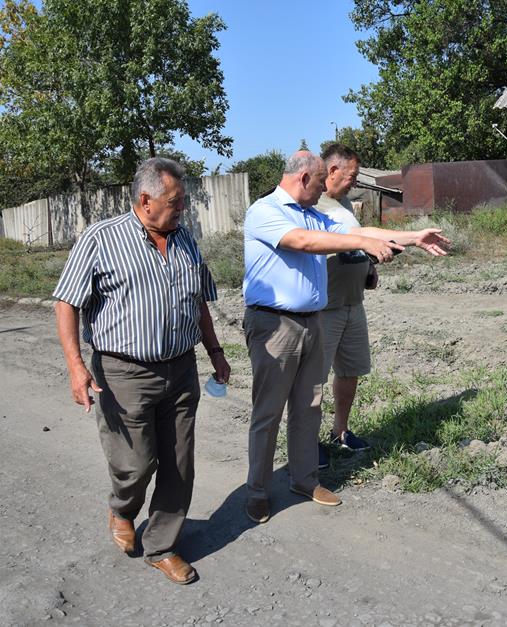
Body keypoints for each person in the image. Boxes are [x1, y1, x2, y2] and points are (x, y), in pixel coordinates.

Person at [242, 151, 449, 524]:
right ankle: (257, 491)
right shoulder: (266, 210)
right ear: (304, 178)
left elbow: (359, 233)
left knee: (308, 407)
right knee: (268, 412)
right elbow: (303, 242)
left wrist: (413, 237)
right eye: (321, 181)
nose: (325, 188)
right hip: (275, 326)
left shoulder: (313, 213)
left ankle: (305, 480)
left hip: (312, 321)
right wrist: (361, 245)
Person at [53, 157, 231, 585]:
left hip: (181, 369)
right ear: (146, 200)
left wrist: (215, 352)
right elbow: (66, 302)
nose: (183, 207)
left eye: (183, 200)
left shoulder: (185, 238)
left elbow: (198, 302)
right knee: (134, 464)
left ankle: (162, 546)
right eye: (176, 201)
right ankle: (122, 508)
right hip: (124, 373)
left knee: (179, 463)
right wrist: (76, 365)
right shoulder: (101, 239)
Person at [316, 143, 380, 454]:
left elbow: (354, 242)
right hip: (324, 307)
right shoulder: (311, 204)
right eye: (352, 175)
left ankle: (340, 431)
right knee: (312, 380)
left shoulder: (343, 204)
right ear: (332, 170)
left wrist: (369, 266)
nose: (355, 181)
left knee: (349, 371)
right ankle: (307, 443)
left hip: (353, 303)